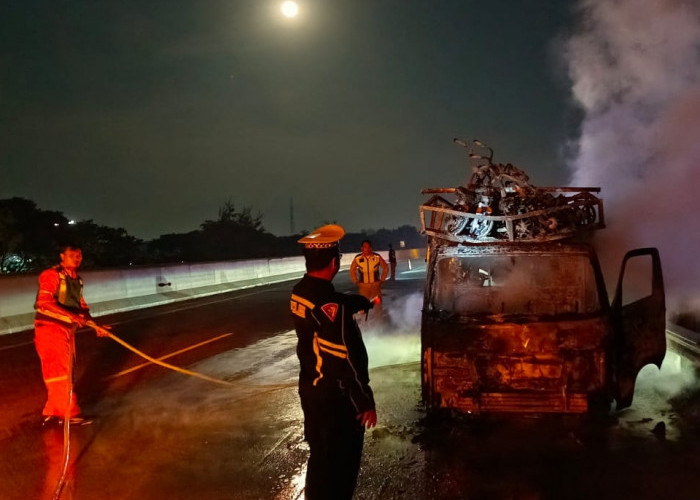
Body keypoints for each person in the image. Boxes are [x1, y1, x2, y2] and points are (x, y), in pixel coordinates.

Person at [290, 225, 377, 500]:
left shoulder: (300, 291)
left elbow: (332, 301)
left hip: (311, 392)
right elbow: (341, 360)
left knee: (320, 462)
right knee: (340, 473)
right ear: (334, 262)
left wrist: (359, 302)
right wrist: (364, 402)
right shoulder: (331, 307)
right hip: (336, 402)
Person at [34, 243, 110, 427]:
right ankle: (69, 413)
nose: (77, 259)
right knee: (61, 373)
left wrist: (95, 326)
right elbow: (43, 302)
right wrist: (72, 316)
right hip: (50, 328)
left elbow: (82, 307)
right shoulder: (51, 275)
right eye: (72, 255)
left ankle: (52, 412)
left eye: (79, 256)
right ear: (62, 256)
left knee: (60, 371)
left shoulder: (77, 279)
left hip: (66, 330)